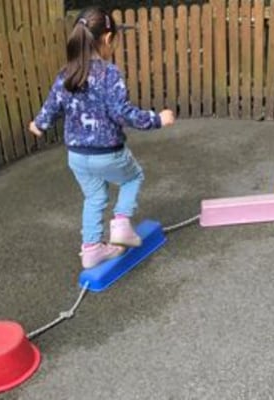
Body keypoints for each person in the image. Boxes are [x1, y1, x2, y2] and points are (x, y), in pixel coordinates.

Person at [29, 7, 175, 269]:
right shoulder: (110, 74)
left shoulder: (66, 75)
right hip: (107, 153)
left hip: (76, 156)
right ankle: (121, 223)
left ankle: (92, 249)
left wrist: (39, 124)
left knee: (94, 198)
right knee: (133, 177)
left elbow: (51, 107)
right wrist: (157, 120)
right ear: (107, 39)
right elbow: (122, 113)